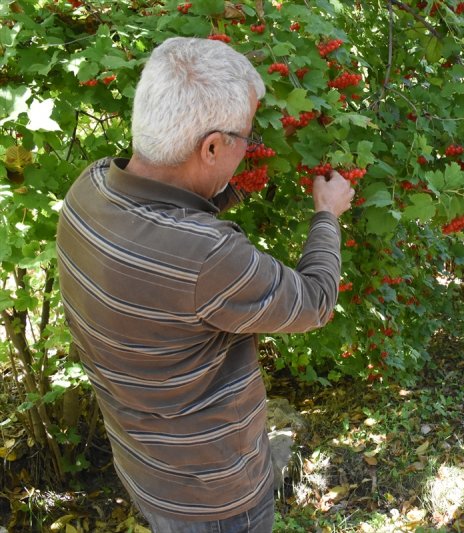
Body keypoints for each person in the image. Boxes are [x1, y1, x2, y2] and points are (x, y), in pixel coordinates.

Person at [56, 37, 354, 532]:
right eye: (246, 141)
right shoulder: (208, 257)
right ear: (212, 146)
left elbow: (169, 222)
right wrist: (327, 214)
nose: (250, 149)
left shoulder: (89, 190)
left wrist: (237, 180)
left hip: (147, 469)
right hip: (215, 500)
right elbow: (315, 302)